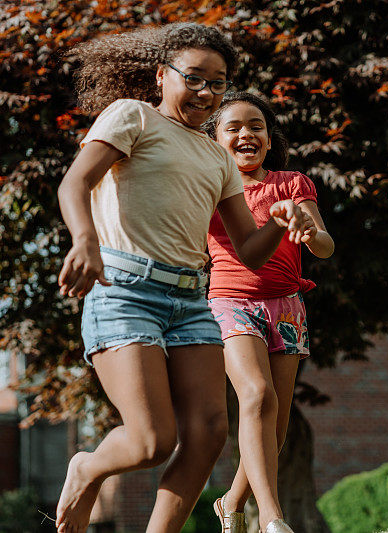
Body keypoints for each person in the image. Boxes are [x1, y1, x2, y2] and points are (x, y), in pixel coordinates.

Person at [54, 25, 311, 533]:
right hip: (127, 291)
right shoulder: (134, 116)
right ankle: (87, 467)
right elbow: (76, 181)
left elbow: (250, 251)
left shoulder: (217, 156)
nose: (206, 92)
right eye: (194, 78)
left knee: (210, 432)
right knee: (151, 441)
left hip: (191, 298)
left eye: (218, 83)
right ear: (161, 76)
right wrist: (84, 240)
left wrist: (281, 221)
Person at [203, 92, 335, 533]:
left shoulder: (292, 183)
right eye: (234, 128)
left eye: (256, 126)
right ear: (215, 140)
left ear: (269, 136)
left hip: (287, 305)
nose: (246, 134)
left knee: (275, 425)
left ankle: (231, 502)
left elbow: (325, 246)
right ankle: (272, 520)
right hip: (229, 303)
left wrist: (304, 222)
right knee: (257, 396)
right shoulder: (209, 186)